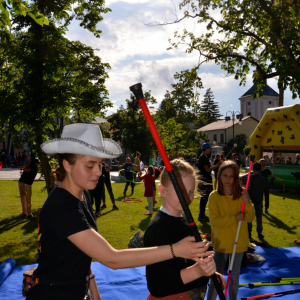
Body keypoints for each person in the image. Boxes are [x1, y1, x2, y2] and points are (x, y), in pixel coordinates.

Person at [26, 123, 207, 300]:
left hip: (76, 290)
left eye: (100, 164)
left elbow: (83, 253)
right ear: (67, 165)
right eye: (90, 165)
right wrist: (175, 250)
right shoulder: (61, 206)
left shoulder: (82, 196)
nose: (98, 171)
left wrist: (95, 294)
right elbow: (112, 259)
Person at [144, 159, 225, 299]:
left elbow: (188, 260)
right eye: (181, 191)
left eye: (191, 191)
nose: (187, 197)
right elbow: (157, 285)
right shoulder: (157, 230)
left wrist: (209, 272)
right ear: (163, 191)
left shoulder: (185, 218)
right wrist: (198, 272)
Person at [206, 160, 255, 300]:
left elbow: (250, 218)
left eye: (231, 176)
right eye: (224, 175)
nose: (228, 179)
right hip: (221, 244)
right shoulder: (214, 196)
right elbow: (215, 221)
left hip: (238, 243)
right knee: (216, 278)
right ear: (219, 176)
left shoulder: (242, 195)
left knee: (234, 277)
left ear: (236, 177)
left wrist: (247, 202)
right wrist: (234, 217)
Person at [196, 143, 222, 222]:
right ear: (206, 149)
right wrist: (217, 165)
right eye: (209, 148)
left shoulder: (204, 157)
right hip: (204, 180)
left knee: (205, 198)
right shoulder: (203, 157)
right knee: (204, 198)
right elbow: (207, 170)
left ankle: (202, 215)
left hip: (206, 179)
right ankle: (201, 216)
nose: (210, 150)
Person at [247, 162, 273, 240]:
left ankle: (249, 233)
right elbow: (268, 186)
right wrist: (272, 179)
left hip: (250, 200)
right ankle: (259, 232)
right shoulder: (263, 178)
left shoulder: (249, 177)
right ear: (260, 169)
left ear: (253, 169)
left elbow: (241, 179)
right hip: (257, 200)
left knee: (249, 217)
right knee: (259, 217)